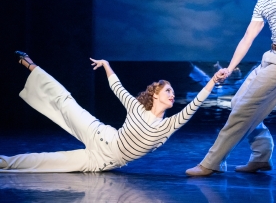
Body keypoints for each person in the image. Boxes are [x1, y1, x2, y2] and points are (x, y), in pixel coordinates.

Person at [0, 51, 225, 172]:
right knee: (65, 101)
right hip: (99, 133)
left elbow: (194, 104)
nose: (172, 94)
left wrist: (213, 81)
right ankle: (30, 65)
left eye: (173, 92)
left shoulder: (168, 125)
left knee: (47, 162)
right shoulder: (136, 107)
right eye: (168, 90)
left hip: (101, 161)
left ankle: (3, 162)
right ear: (155, 94)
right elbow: (117, 87)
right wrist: (107, 64)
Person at [186, 0, 276, 176]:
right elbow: (249, 36)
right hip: (271, 56)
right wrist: (229, 67)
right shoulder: (262, 2)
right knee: (238, 101)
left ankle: (210, 163)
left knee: (245, 109)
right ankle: (261, 157)